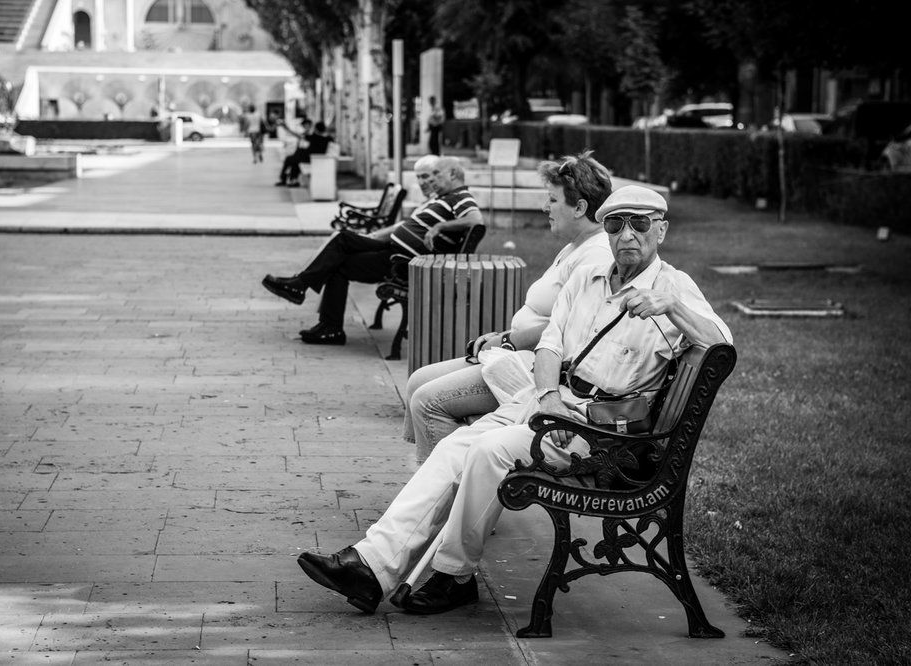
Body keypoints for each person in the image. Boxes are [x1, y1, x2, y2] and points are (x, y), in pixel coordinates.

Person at [296, 185, 732, 616]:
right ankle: (370, 566)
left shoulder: (676, 287)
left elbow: (720, 348)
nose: (627, 234)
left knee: (489, 451)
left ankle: (454, 576)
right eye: (616, 224)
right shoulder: (587, 278)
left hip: (604, 436)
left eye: (640, 223)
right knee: (453, 448)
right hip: (552, 404)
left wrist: (670, 306)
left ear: (661, 230)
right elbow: (550, 346)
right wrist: (547, 398)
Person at [404, 151, 614, 461]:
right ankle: (429, 473)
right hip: (515, 353)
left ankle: (443, 494)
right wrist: (502, 337)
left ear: (580, 207)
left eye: (553, 200)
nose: (546, 207)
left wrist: (506, 340)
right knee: (418, 380)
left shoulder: (596, 256)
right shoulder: (575, 246)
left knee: (427, 400)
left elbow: (569, 328)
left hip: (537, 369)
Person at [262, 156, 483, 345]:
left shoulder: (460, 197)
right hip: (395, 251)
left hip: (402, 262)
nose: (432, 180)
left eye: (437, 174)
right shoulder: (445, 199)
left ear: (453, 174)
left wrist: (439, 226)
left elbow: (476, 219)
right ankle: (324, 320)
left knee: (341, 246)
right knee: (341, 245)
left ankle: (308, 297)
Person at [276, 119, 333, 187]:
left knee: (291, 159)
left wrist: (286, 128)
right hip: (318, 159)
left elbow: (299, 136)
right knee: (295, 159)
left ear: (316, 129)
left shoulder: (313, 137)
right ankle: (292, 180)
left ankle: (288, 179)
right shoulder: (328, 138)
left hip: (311, 159)